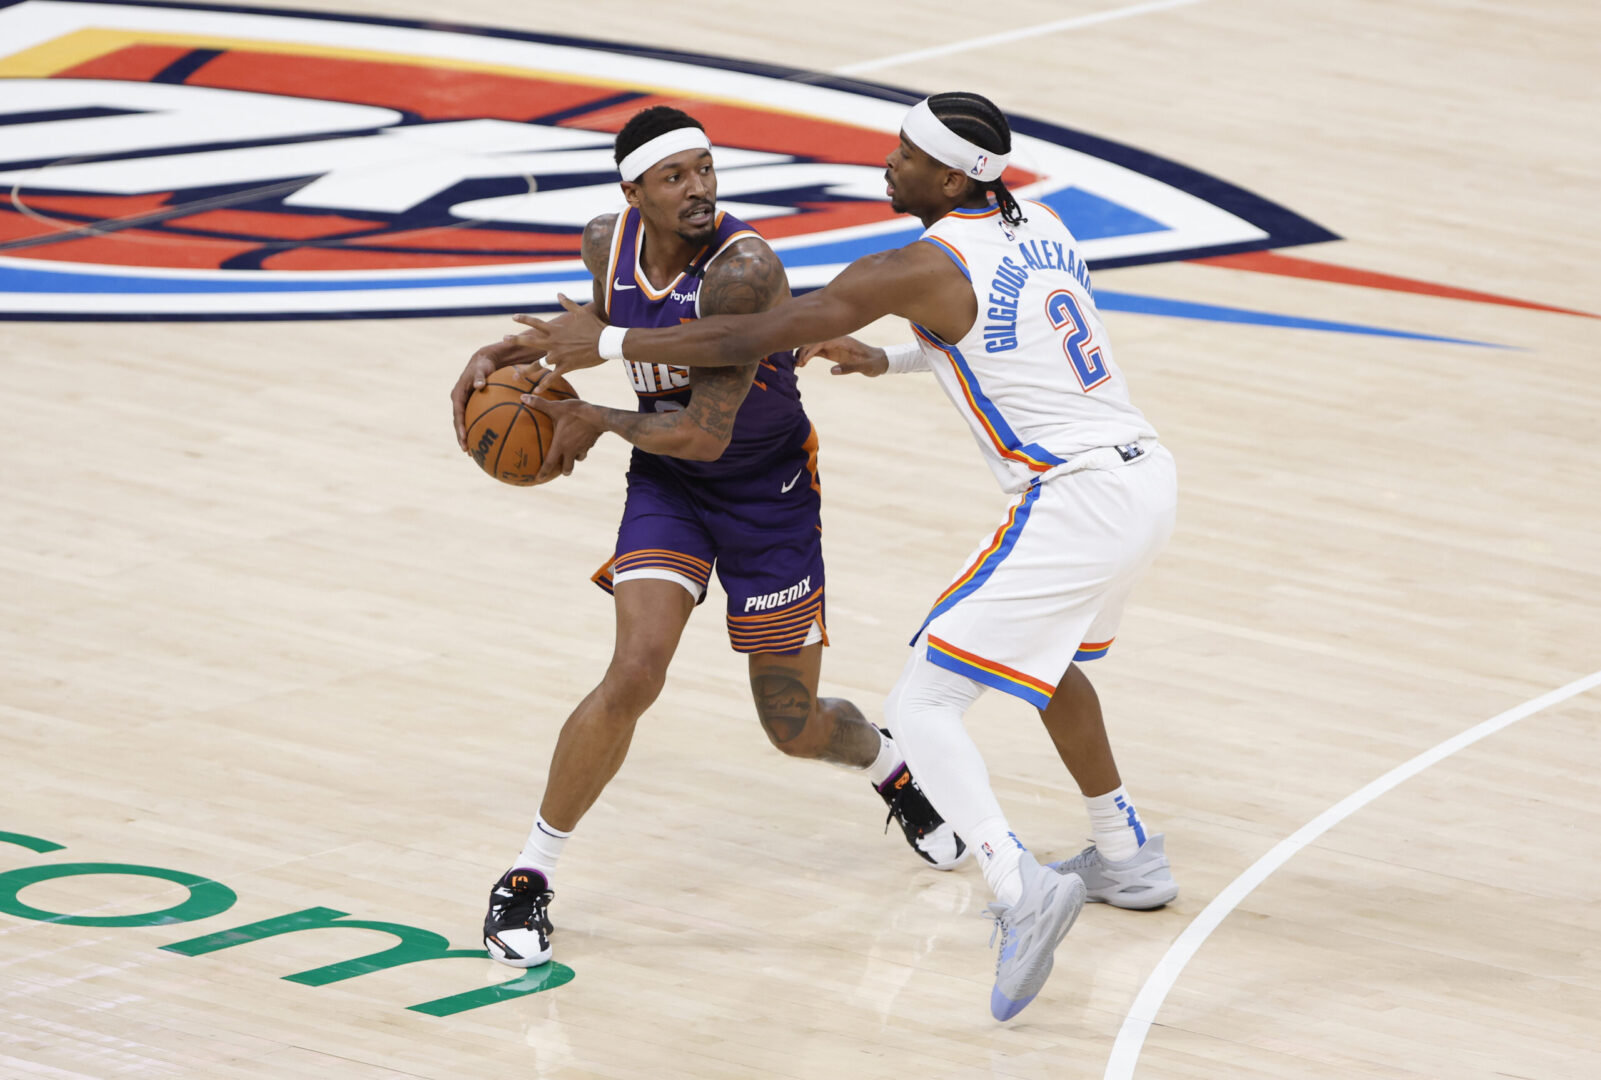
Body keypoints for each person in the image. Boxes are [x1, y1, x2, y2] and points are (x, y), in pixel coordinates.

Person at [511, 92, 1180, 1021]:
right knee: (1051, 664)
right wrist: (888, 360)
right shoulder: (1039, 223)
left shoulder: (907, 265)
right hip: (1145, 478)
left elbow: (746, 338)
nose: (887, 167)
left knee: (921, 703)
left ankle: (1019, 885)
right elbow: (1015, 338)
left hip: (1064, 495)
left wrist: (612, 343)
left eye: (905, 156)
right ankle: (1126, 854)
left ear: (951, 176)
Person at [449, 106, 964, 972]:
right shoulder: (606, 242)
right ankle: (530, 872)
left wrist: (594, 418)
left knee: (792, 725)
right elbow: (610, 329)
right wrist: (507, 361)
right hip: (670, 486)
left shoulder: (744, 269)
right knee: (633, 671)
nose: (699, 188)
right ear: (633, 192)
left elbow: (702, 432)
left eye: (706, 169)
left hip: (766, 492)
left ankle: (888, 764)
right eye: (675, 176)